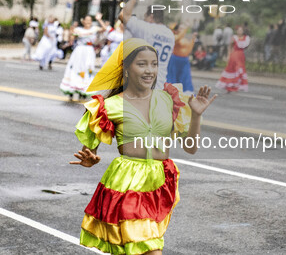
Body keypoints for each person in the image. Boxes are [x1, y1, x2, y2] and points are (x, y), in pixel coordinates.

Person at [70, 38, 216, 254]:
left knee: (136, 249)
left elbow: (191, 147)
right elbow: (90, 149)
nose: (149, 70)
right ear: (126, 69)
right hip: (127, 183)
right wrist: (90, 159)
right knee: (149, 248)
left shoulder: (169, 100)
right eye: (142, 64)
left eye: (153, 64)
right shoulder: (109, 106)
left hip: (159, 183)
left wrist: (195, 115)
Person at [120, 0, 175, 88]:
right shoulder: (170, 34)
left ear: (151, 16)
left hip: (142, 83)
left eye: (145, 16)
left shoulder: (146, 28)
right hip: (160, 82)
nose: (144, 19)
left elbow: (123, 15)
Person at [60, 14, 105, 99]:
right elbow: (71, 39)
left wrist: (99, 19)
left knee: (87, 69)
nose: (88, 22)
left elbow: (104, 29)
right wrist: (72, 33)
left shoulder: (94, 29)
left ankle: (83, 90)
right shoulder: (78, 30)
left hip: (89, 51)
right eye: (87, 20)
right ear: (83, 21)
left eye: (90, 20)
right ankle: (72, 89)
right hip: (79, 51)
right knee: (76, 68)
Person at [216, 26, 250, 92]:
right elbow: (230, 46)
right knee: (234, 69)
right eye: (238, 30)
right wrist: (229, 55)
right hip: (234, 55)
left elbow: (246, 47)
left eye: (241, 30)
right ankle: (230, 85)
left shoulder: (246, 38)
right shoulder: (234, 37)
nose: (239, 31)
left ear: (243, 31)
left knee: (239, 70)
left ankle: (236, 85)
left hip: (241, 56)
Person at [166, 24, 195, 92]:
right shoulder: (175, 37)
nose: (183, 30)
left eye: (184, 28)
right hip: (175, 60)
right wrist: (186, 28)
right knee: (173, 77)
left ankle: (186, 92)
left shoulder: (185, 39)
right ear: (177, 30)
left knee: (185, 77)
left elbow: (188, 50)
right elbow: (179, 36)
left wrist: (193, 40)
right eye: (181, 28)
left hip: (184, 61)